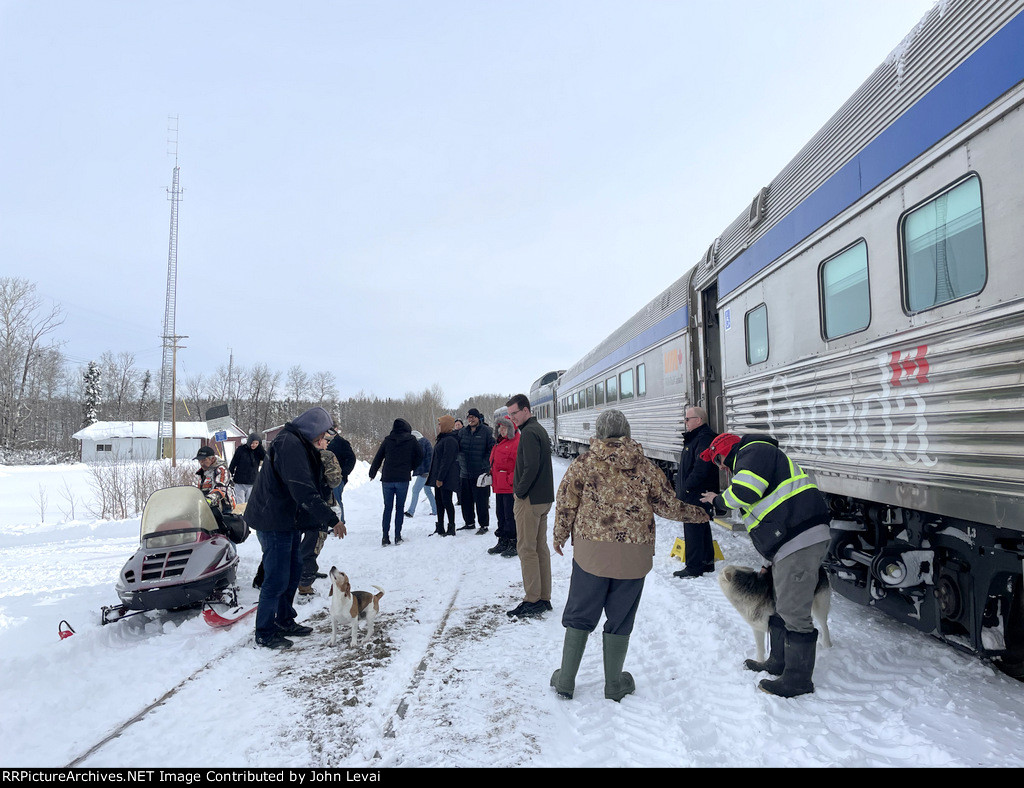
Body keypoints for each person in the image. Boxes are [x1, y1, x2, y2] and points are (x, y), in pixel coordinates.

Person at [551, 410, 710, 701]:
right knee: (621, 617)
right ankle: (614, 684)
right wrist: (701, 514)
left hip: (592, 553)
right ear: (627, 432)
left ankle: (566, 680)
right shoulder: (645, 466)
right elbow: (668, 506)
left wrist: (559, 536)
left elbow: (566, 504)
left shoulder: (583, 464)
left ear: (598, 432)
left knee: (580, 613)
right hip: (634, 555)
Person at [700, 432, 832, 698]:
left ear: (725, 451)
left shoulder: (754, 451)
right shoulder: (755, 457)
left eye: (718, 460)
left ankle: (797, 680)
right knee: (781, 603)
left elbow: (745, 493)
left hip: (800, 538)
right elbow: (769, 513)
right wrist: (768, 561)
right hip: (789, 540)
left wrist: (717, 499)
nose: (722, 467)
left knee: (794, 611)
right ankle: (778, 661)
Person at [244, 406, 345, 650]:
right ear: (312, 431)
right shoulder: (290, 445)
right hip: (272, 519)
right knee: (277, 578)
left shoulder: (298, 442)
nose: (323, 443)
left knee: (293, 571)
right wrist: (332, 519)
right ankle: (265, 632)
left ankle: (285, 620)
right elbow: (302, 490)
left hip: (287, 518)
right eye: (322, 438)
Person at [505, 393, 554, 619]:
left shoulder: (529, 433)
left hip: (530, 500)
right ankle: (543, 597)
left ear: (526, 410)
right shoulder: (539, 430)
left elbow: (531, 467)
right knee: (539, 548)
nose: (512, 418)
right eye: (510, 414)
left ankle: (532, 599)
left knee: (526, 549)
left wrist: (519, 491)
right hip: (542, 499)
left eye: (515, 413)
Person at [673, 406, 719, 579]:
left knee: (692, 525)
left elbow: (701, 468)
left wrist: (686, 487)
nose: (685, 422)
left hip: (696, 491)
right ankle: (706, 562)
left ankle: (693, 567)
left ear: (698, 420)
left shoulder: (703, 438)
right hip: (695, 489)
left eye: (687, 419)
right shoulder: (697, 438)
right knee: (701, 523)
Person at [298, 435, 344, 597]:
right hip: (318, 506)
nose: (328, 443)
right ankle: (305, 586)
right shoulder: (326, 456)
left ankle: (288, 578)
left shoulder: (296, 453)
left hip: (295, 506)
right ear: (319, 441)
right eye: (326, 440)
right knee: (312, 546)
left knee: (292, 546)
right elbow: (334, 481)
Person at [368, 418, 423, 546]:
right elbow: (420, 456)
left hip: (387, 478)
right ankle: (398, 536)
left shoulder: (388, 440)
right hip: (403, 478)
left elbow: (378, 457)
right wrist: (411, 466)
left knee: (387, 508)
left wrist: (372, 472)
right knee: (399, 508)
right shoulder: (412, 440)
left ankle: (385, 537)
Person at [457, 407, 495, 533]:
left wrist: (484, 464)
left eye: (473, 417)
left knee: (481, 501)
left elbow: (492, 449)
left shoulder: (487, 431)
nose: (471, 419)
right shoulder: (462, 432)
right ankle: (469, 522)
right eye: (469, 417)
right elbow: (458, 448)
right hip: (465, 472)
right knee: (465, 500)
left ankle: (483, 525)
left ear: (478, 418)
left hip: (480, 473)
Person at [488, 414, 519, 556]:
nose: (502, 430)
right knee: (500, 514)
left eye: (505, 427)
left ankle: (514, 541)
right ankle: (503, 540)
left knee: (510, 515)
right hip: (498, 485)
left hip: (509, 486)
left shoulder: (517, 442)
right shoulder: (498, 442)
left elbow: (520, 464)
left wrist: (510, 479)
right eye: (500, 427)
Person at [426, 415, 461, 536]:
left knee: (447, 501)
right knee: (439, 502)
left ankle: (451, 527)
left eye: (440, 424)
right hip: (438, 476)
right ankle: (440, 526)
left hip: (446, 477)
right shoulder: (442, 438)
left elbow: (447, 461)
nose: (438, 426)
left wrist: (440, 478)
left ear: (446, 425)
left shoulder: (450, 440)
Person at [326, 431, 357, 529]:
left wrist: (344, 473)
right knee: (329, 500)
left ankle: (340, 522)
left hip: (338, 478)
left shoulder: (342, 442)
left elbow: (351, 458)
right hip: (326, 478)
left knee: (337, 499)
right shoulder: (323, 441)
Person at [405, 430, 437, 520]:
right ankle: (435, 510)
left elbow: (419, 456)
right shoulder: (424, 441)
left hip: (424, 471)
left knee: (415, 490)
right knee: (427, 490)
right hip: (428, 470)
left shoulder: (421, 443)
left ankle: (411, 512)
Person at [194, 446, 236, 513]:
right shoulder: (202, 472)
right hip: (207, 508)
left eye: (204, 460)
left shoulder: (221, 470)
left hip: (224, 508)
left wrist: (209, 500)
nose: (201, 463)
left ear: (212, 459)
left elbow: (220, 489)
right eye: (199, 460)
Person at [228, 433, 265, 504]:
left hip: (252, 482)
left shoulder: (259, 451)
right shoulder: (241, 449)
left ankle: (248, 515)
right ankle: (240, 514)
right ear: (249, 441)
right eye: (252, 443)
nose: (254, 445)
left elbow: (266, 458)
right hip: (240, 481)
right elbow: (233, 462)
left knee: (249, 503)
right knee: (240, 502)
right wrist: (230, 473)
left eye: (256, 443)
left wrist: (261, 448)